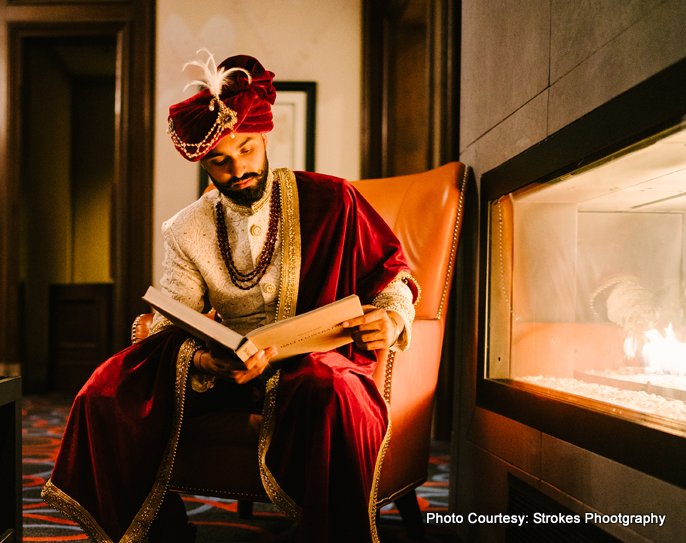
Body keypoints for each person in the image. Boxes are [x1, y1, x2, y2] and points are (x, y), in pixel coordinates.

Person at [42, 51, 418, 543]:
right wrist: (201, 359)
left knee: (337, 391)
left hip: (310, 362)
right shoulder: (186, 228)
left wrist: (391, 320)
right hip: (228, 365)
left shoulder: (332, 198)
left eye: (246, 150)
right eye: (220, 161)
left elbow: (391, 275)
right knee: (105, 390)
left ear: (263, 139)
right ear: (204, 166)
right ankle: (157, 531)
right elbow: (173, 315)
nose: (237, 168)